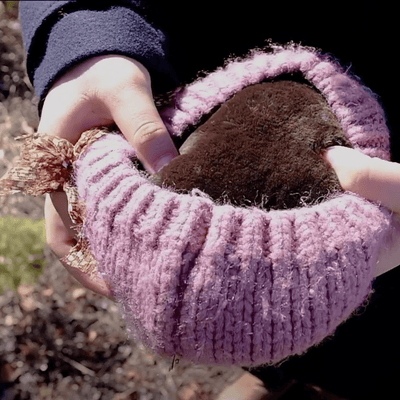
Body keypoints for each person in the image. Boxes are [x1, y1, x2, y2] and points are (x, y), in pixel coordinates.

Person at [19, 2, 399, 399]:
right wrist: (87, 35)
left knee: (368, 350)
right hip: (198, 86)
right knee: (254, 313)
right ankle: (279, 375)